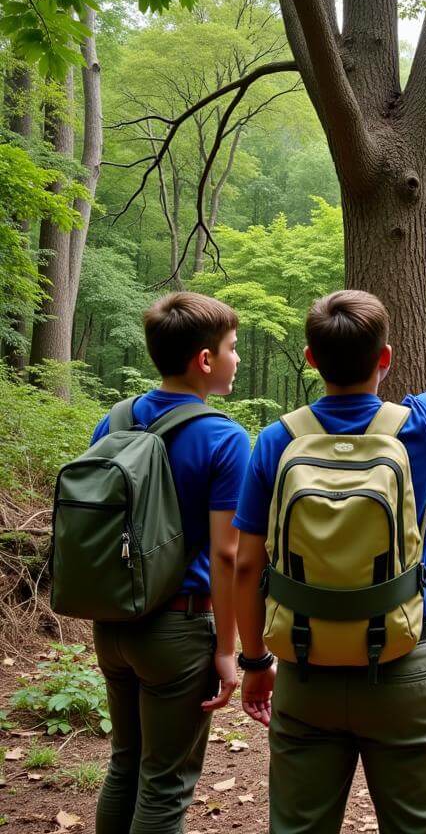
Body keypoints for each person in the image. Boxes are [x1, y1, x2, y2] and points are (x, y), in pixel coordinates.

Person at [232, 257, 426, 834]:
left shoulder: (276, 440)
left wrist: (254, 661)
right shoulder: (417, 425)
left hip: (303, 667)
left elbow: (246, 564)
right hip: (403, 663)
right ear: (385, 360)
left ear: (311, 358)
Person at [91, 292, 250, 834]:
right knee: (165, 783)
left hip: (113, 622)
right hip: (178, 630)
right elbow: (227, 555)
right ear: (204, 360)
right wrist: (229, 652)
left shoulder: (112, 421)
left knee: (125, 765)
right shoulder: (225, 438)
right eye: (231, 348)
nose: (237, 358)